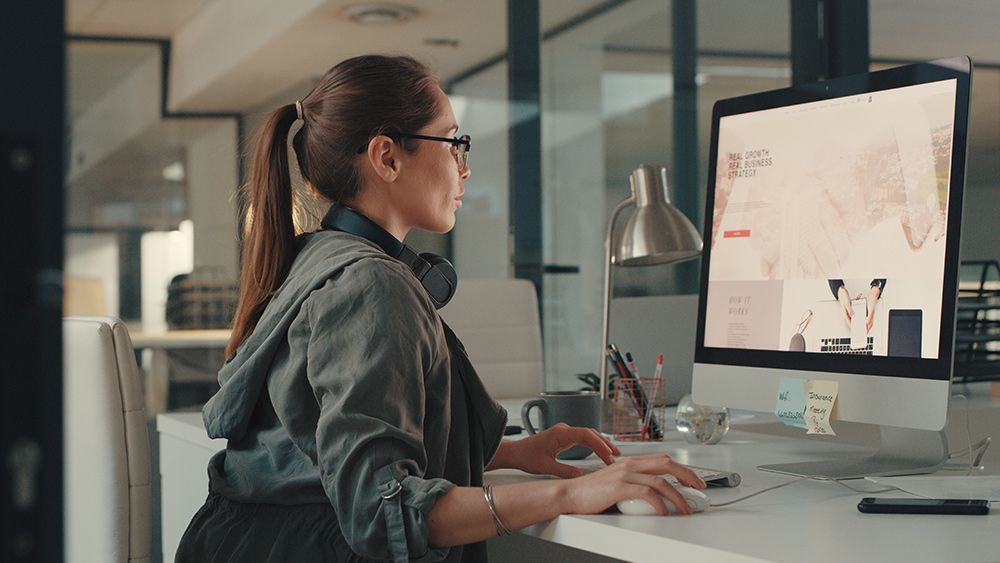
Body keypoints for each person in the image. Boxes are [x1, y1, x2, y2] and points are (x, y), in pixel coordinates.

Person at [175, 55, 704, 563]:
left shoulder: (322, 256)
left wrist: (514, 453)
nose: (464, 168)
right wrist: (570, 495)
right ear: (386, 157)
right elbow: (381, 511)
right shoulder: (369, 285)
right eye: (455, 143)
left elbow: (331, 446)